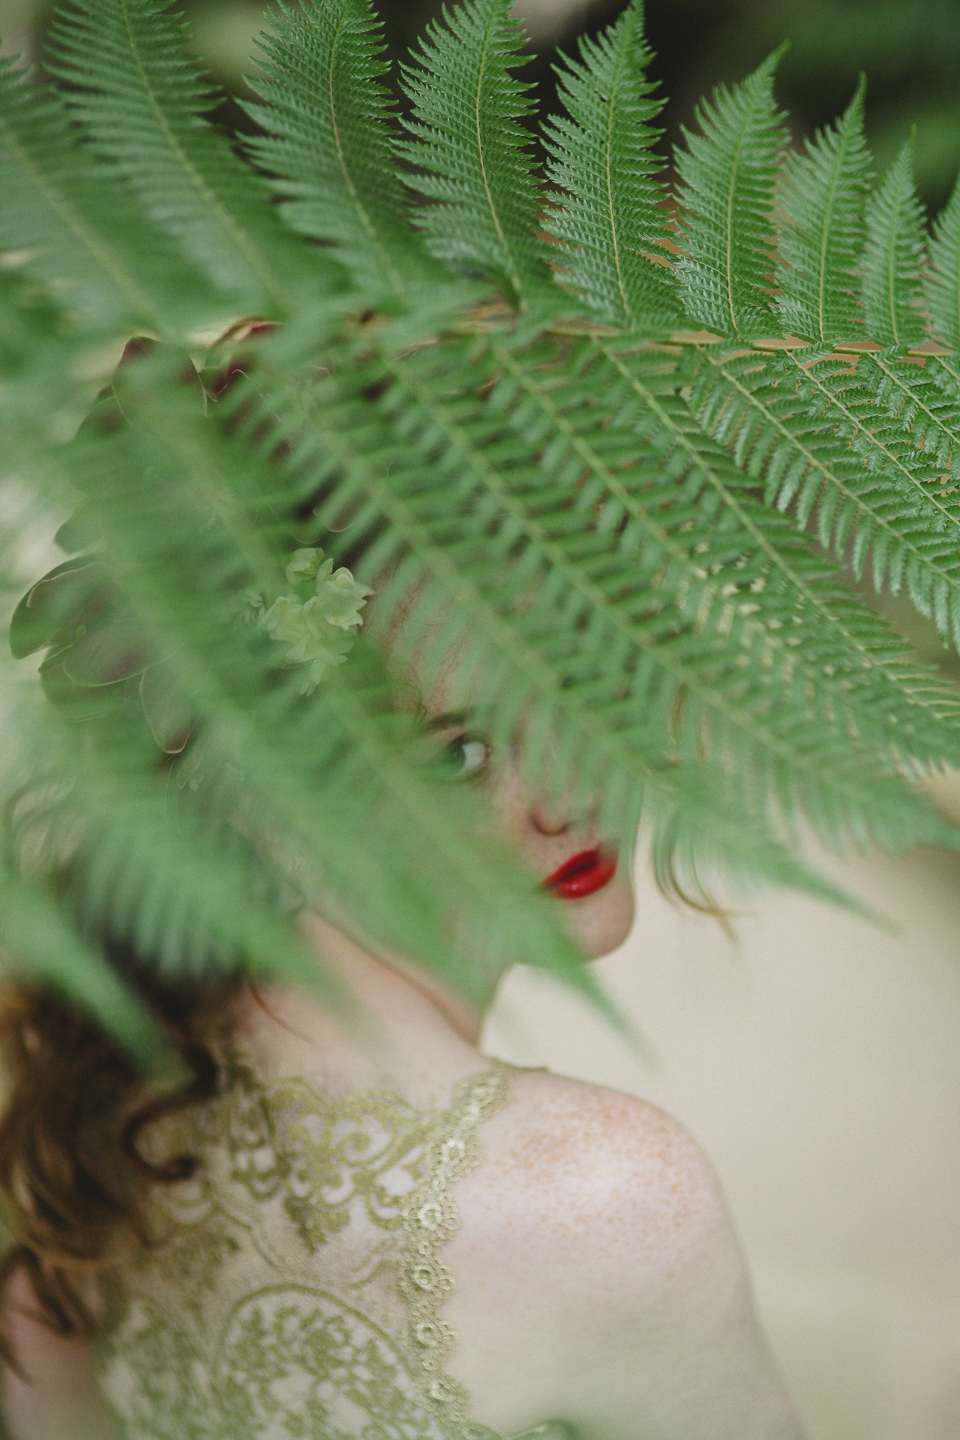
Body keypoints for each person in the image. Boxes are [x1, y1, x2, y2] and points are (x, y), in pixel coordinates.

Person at [0, 338, 806, 1440]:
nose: (570, 795)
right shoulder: (612, 1200)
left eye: (573, 679)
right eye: (455, 754)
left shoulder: (114, 1095)